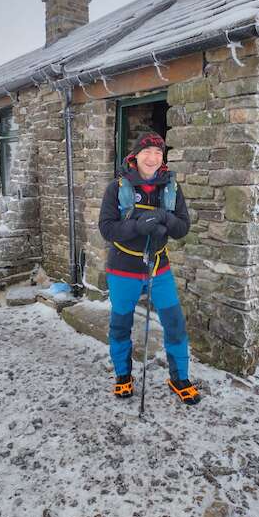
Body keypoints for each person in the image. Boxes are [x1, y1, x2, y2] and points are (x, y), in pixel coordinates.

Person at [99, 131, 200, 405]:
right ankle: (123, 375)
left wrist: (164, 217)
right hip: (123, 270)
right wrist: (137, 225)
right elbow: (107, 229)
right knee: (121, 325)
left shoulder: (171, 189)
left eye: (158, 153)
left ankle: (179, 377)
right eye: (147, 152)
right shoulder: (116, 188)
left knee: (175, 323)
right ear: (135, 155)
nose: (153, 157)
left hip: (159, 267)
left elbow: (182, 229)